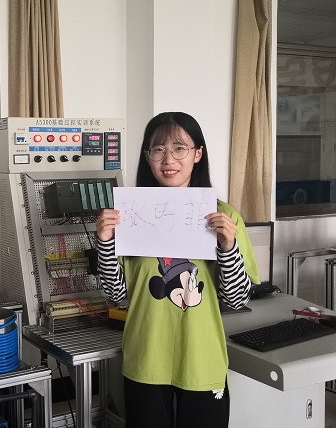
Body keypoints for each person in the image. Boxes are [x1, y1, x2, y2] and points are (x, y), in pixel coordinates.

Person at [95, 111, 260, 428]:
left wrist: (228, 247)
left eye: (179, 148)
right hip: (146, 359)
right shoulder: (129, 217)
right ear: (148, 157)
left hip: (202, 360)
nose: (168, 159)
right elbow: (117, 295)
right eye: (158, 149)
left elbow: (237, 299)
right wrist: (105, 242)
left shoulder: (224, 217)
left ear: (198, 154)